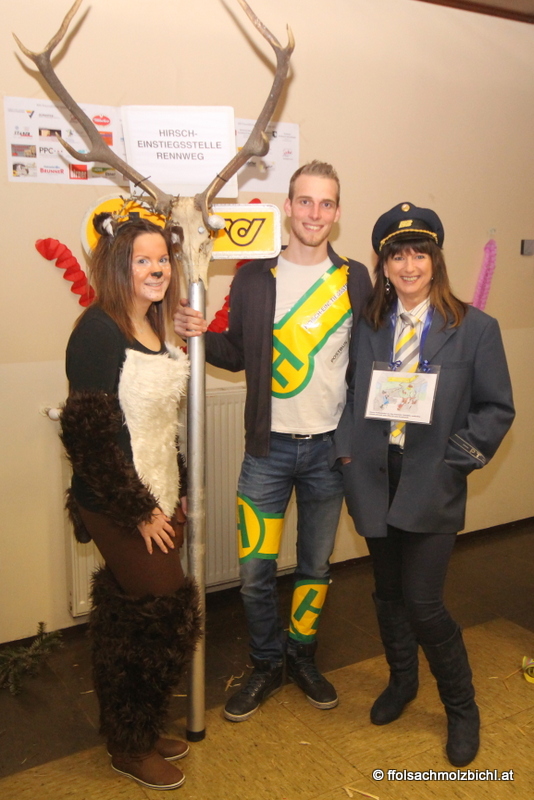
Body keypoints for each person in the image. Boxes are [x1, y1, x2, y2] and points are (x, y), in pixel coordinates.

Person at [174, 161, 372, 721]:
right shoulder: (255, 278)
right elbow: (238, 352)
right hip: (267, 451)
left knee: (315, 566)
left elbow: (369, 358)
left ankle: (301, 657)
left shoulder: (354, 279)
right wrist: (199, 336)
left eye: (326, 203)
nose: (315, 213)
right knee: (255, 574)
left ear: (337, 212)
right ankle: (265, 663)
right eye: (305, 201)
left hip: (329, 452)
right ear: (288, 207)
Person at [331, 202, 514, 766]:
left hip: (432, 481)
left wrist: (455, 461)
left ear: (435, 260)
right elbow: (350, 391)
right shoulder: (369, 324)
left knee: (424, 603)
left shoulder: (475, 328)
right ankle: (402, 682)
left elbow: (496, 408)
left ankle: (462, 708)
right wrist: (346, 453)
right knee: (387, 594)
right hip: (374, 477)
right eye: (397, 256)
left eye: (418, 254)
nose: (408, 266)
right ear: (383, 265)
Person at [60, 217, 200, 790]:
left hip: (158, 490)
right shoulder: (97, 331)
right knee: (165, 612)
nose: (156, 269)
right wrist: (139, 510)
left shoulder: (155, 324)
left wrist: (178, 485)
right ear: (119, 266)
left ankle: (133, 730)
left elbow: (159, 423)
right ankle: (131, 744)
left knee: (131, 620)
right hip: (116, 500)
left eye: (162, 259)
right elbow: (89, 437)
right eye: (143, 260)